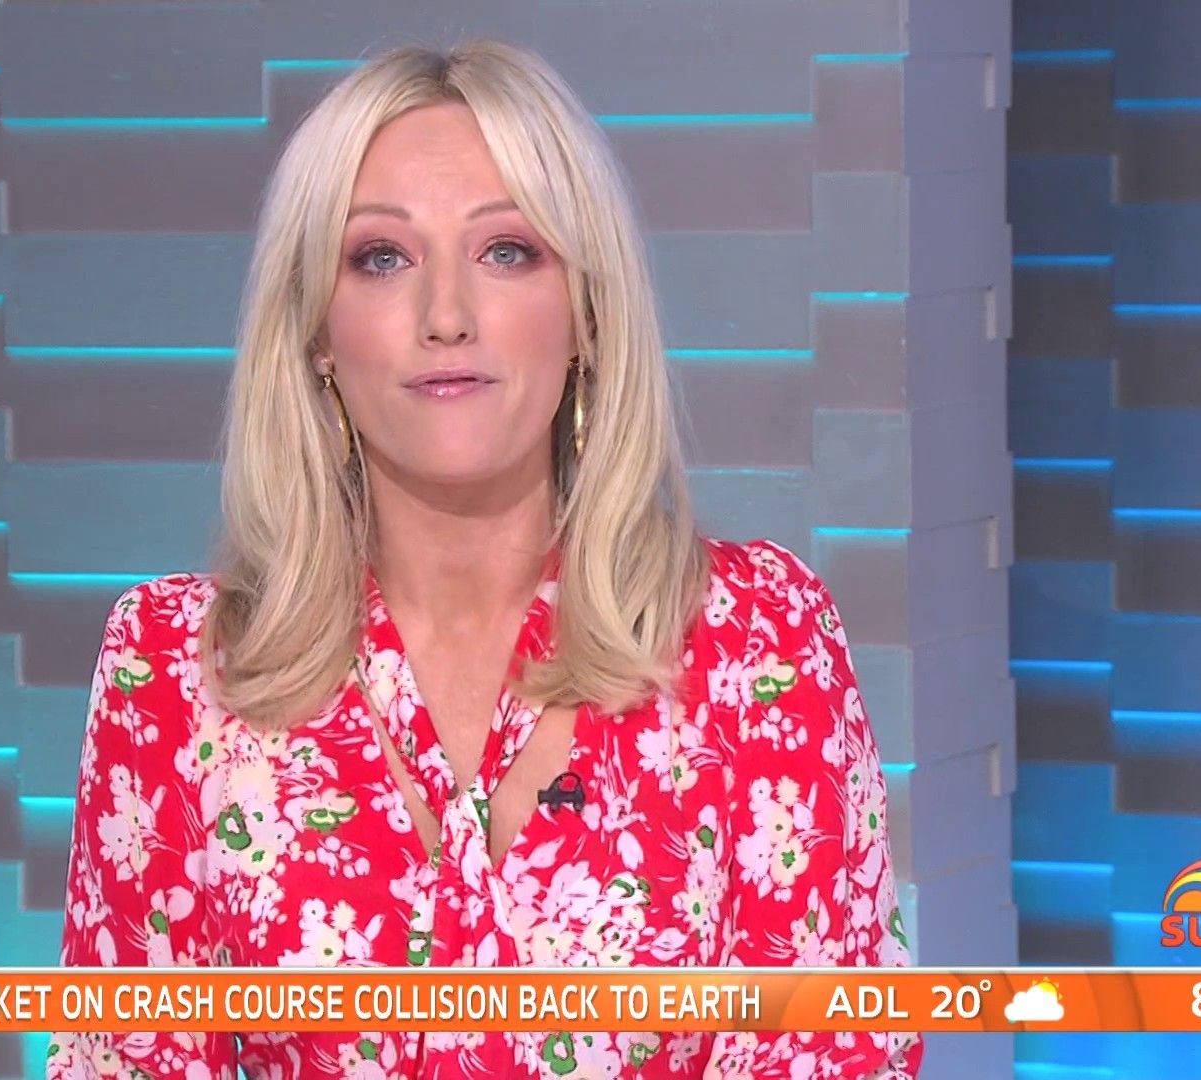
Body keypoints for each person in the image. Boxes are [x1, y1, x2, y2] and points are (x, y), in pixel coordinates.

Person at [45, 36, 921, 1080]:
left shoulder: (758, 638)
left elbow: (833, 1052)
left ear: (586, 311)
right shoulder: (175, 668)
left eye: (507, 251)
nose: (447, 317)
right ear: (317, 329)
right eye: (382, 258)